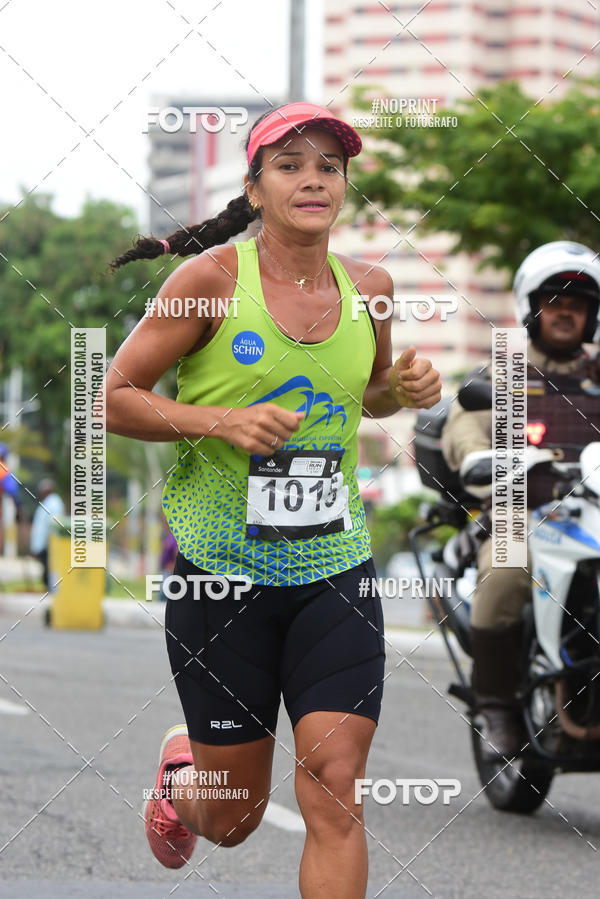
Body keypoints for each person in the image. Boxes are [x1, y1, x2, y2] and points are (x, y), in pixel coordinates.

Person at [106, 101, 441, 897]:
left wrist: (403, 388)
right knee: (234, 817)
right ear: (255, 189)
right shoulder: (210, 282)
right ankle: (181, 780)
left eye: (329, 165)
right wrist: (219, 419)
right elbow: (114, 397)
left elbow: (369, 393)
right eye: (290, 165)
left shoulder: (373, 287)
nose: (314, 178)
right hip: (222, 577)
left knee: (334, 785)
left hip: (336, 569)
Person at [441, 241, 600, 759]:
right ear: (532, 307)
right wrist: (478, 456)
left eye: (578, 304)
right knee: (508, 571)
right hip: (520, 515)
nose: (565, 311)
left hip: (592, 516)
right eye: (554, 300)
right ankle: (498, 708)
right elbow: (464, 425)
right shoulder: (508, 372)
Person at [29, 478, 65, 591]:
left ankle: (53, 592)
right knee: (47, 571)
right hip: (44, 545)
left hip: (48, 544)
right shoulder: (48, 502)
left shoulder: (54, 503)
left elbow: (53, 525)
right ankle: (51, 592)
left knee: (50, 571)